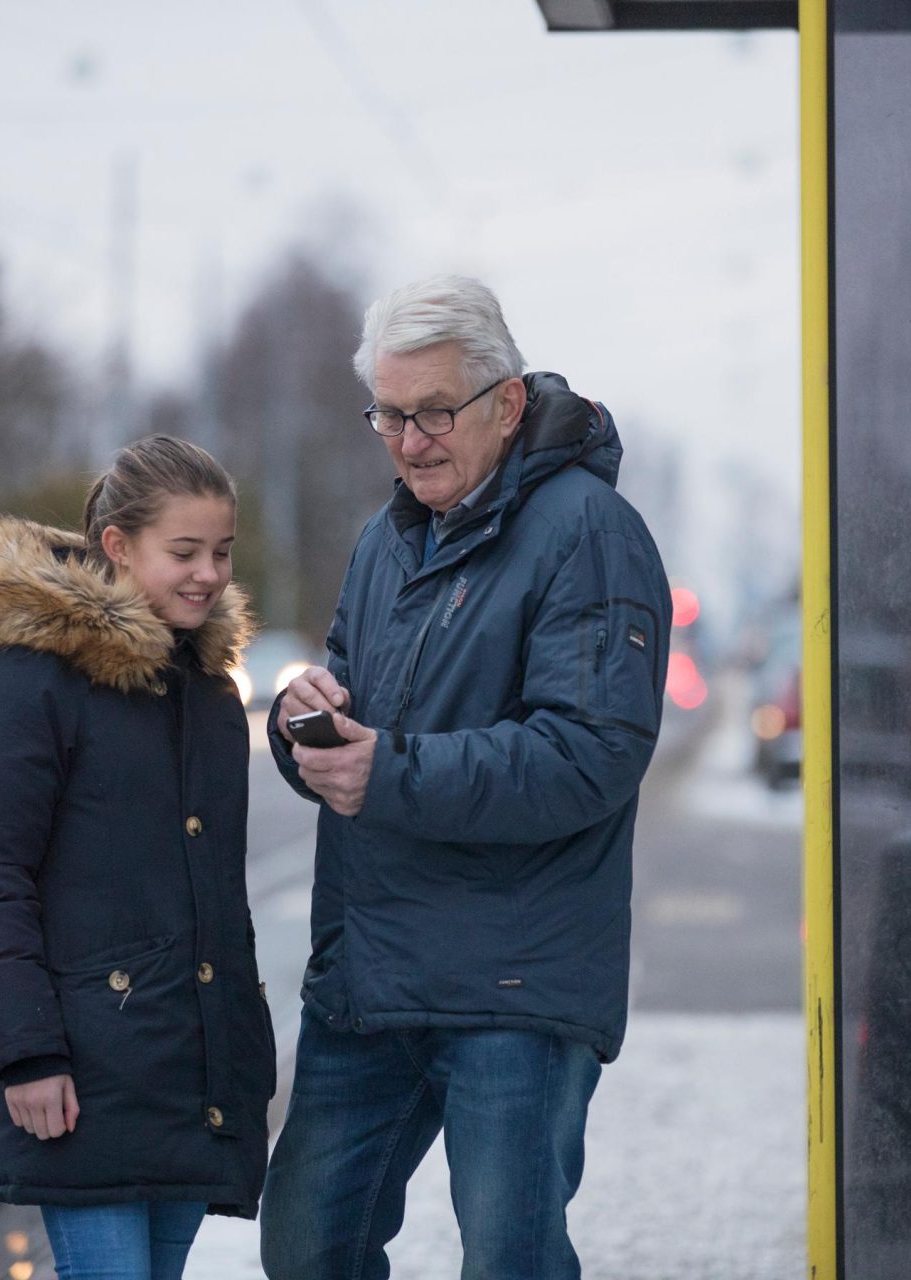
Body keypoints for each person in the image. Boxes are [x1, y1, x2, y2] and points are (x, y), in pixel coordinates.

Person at [259, 276, 672, 1280]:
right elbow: (355, 717)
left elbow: (589, 755)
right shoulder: (384, 540)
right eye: (389, 415)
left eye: (434, 412)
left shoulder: (589, 532)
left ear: (508, 402)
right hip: (372, 976)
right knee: (307, 1247)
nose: (409, 441)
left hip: (515, 984)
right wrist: (298, 723)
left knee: (511, 1262)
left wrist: (389, 772)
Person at [0, 437, 275, 1280]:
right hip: (81, 1073)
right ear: (118, 547)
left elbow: (213, 897)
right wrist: (28, 1052)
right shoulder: (33, 678)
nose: (208, 573)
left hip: (187, 1075)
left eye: (222, 552)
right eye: (185, 552)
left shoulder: (206, 690)